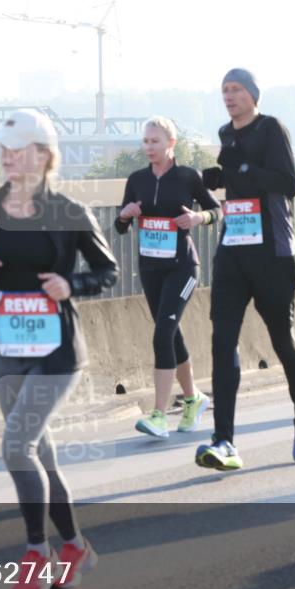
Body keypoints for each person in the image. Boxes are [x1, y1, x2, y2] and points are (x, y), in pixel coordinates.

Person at [0, 109, 117, 589]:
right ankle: (75, 545)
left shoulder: (68, 211)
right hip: (9, 347)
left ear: (42, 155)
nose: (5, 158)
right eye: (1, 150)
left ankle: (34, 553)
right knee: (40, 453)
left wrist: (72, 284)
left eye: (16, 149)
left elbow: (107, 272)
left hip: (59, 351)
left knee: (15, 446)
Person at [196, 68, 295, 471]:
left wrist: (242, 172)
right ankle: (224, 440)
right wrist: (219, 179)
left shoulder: (271, 129)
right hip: (234, 247)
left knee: (282, 341)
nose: (229, 97)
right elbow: (237, 184)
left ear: (253, 95)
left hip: (273, 252)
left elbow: (288, 182)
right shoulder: (226, 133)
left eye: (236, 90)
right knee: (222, 341)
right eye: (224, 91)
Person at [115, 116, 222, 439]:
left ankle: (160, 414)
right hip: (150, 268)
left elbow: (217, 211)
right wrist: (125, 215)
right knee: (171, 334)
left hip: (183, 267)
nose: (149, 147)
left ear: (170, 143)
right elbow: (120, 226)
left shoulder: (188, 177)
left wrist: (197, 217)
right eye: (145, 142)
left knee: (162, 334)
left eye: (155, 141)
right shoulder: (136, 179)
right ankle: (193, 398)